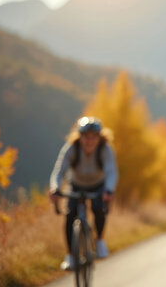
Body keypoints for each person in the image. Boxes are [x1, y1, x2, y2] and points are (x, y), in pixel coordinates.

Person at [49, 116, 118, 271]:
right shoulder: (71, 148)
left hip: (98, 185)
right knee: (69, 216)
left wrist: (109, 190)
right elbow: (59, 172)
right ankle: (70, 256)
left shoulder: (105, 149)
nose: (90, 141)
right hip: (76, 185)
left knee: (99, 209)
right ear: (79, 136)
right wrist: (55, 188)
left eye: (94, 137)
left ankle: (99, 241)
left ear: (99, 138)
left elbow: (112, 172)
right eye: (86, 137)